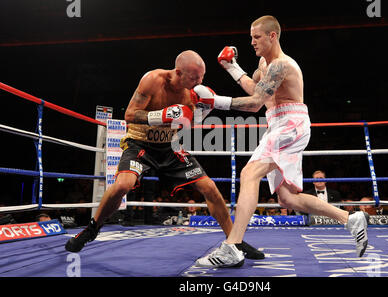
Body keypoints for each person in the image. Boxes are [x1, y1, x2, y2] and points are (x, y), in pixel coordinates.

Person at [192, 15, 369, 268]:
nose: (251, 42)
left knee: (249, 173)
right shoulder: (264, 64)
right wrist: (232, 67)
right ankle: (350, 219)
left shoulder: (281, 65)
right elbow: (257, 91)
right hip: (279, 123)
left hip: (290, 124)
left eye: (256, 37)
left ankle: (232, 247)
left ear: (272, 36)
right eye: (251, 37)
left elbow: (254, 105)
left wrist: (216, 101)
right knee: (287, 198)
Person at [65, 50, 263, 260]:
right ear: (179, 72)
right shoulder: (152, 80)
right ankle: (92, 229)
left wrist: (203, 111)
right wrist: (160, 116)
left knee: (209, 187)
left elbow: (195, 120)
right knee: (123, 185)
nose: (199, 81)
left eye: (202, 77)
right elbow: (130, 114)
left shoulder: (194, 93)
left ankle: (235, 241)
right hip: (140, 142)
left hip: (169, 146)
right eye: (195, 77)